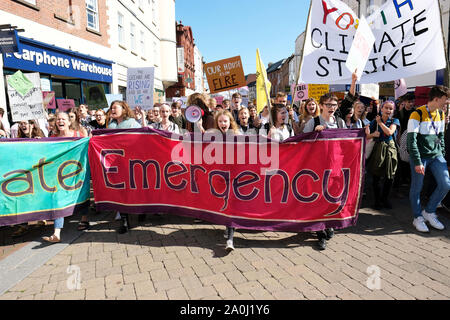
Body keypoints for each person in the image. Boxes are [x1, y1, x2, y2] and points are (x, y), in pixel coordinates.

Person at [303, 93, 345, 250]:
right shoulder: (313, 122)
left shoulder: (340, 122)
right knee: (319, 199)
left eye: (334, 105)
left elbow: (347, 143)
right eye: (328, 105)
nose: (331, 108)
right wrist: (315, 132)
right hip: (318, 169)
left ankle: (329, 224)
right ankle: (320, 233)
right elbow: (302, 144)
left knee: (333, 198)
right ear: (321, 106)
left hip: (336, 167)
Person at [407, 85, 450, 233]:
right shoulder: (416, 114)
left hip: (436, 156)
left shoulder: (441, 114)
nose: (446, 103)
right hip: (420, 156)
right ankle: (417, 217)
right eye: (445, 100)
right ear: (436, 99)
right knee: (417, 188)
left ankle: (429, 212)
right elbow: (411, 141)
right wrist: (418, 161)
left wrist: (441, 151)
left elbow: (440, 137)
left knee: (445, 184)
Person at [42, 112, 88, 242]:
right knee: (58, 199)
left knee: (81, 194)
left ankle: (84, 219)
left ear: (69, 122)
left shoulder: (79, 135)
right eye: (58, 119)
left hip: (78, 171)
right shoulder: (53, 137)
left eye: (63, 119)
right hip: (60, 175)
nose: (60, 121)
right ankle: (57, 233)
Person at [106, 101, 141, 233]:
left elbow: (142, 139)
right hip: (115, 162)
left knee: (132, 189)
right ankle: (125, 221)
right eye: (111, 108)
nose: (112, 110)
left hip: (130, 162)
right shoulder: (111, 125)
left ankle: (141, 211)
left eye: (115, 107)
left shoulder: (132, 123)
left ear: (124, 109)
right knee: (120, 190)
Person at [211, 109, 240, 251]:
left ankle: (230, 239)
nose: (223, 123)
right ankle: (228, 227)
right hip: (219, 176)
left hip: (234, 175)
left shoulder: (237, 135)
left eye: (225, 121)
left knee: (231, 207)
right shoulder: (212, 136)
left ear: (230, 122)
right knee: (224, 204)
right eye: (220, 121)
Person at [366, 101, 400, 210]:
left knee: (390, 176)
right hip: (378, 149)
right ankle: (377, 201)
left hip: (390, 149)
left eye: (391, 109)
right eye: (386, 108)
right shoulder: (374, 121)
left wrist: (380, 123)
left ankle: (385, 199)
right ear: (381, 109)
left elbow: (390, 132)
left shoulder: (394, 121)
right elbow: (367, 135)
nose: (388, 110)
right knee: (376, 176)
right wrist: (370, 132)